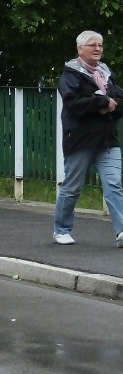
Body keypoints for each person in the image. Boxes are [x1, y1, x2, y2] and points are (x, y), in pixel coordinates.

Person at [53, 31, 123, 248]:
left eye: (100, 45)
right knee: (72, 187)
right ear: (80, 49)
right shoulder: (71, 74)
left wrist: (111, 105)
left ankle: (121, 231)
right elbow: (74, 103)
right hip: (80, 139)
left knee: (114, 184)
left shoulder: (105, 73)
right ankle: (61, 229)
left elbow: (119, 97)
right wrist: (101, 103)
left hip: (107, 140)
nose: (98, 49)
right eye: (92, 45)